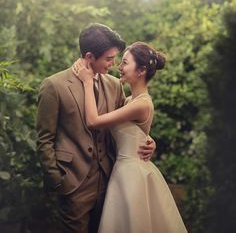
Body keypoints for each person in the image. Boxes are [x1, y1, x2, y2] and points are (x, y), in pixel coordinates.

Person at [36, 23, 156, 233]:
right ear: (90, 56)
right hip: (74, 185)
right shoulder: (54, 85)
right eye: (109, 58)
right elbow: (44, 139)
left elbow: (126, 126)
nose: (114, 64)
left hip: (111, 182)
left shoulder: (114, 85)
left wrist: (147, 140)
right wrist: (57, 181)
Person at [73, 41, 188, 233]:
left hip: (132, 174)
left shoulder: (141, 104)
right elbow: (133, 132)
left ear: (141, 70)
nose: (119, 66)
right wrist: (149, 140)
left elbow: (93, 122)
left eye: (125, 62)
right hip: (123, 171)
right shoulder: (129, 101)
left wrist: (86, 82)